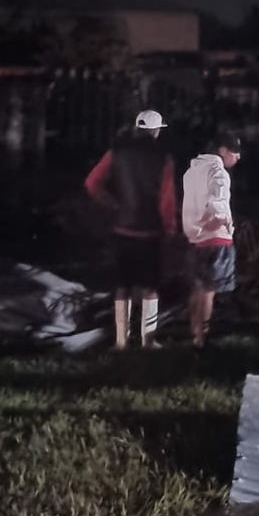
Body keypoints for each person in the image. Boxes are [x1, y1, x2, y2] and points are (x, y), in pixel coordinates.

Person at [84, 109, 177, 350]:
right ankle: (148, 340)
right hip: (150, 231)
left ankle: (121, 340)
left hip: (121, 228)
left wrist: (112, 204)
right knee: (150, 287)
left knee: (121, 287)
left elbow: (92, 183)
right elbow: (167, 200)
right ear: (156, 131)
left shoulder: (116, 153)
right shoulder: (164, 158)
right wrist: (169, 229)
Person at [182, 131, 242, 349]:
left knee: (197, 289)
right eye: (235, 152)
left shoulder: (191, 171)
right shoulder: (219, 173)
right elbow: (217, 203)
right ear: (223, 151)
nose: (238, 157)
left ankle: (193, 333)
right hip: (217, 239)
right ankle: (202, 338)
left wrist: (195, 229)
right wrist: (223, 222)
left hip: (195, 238)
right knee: (209, 290)